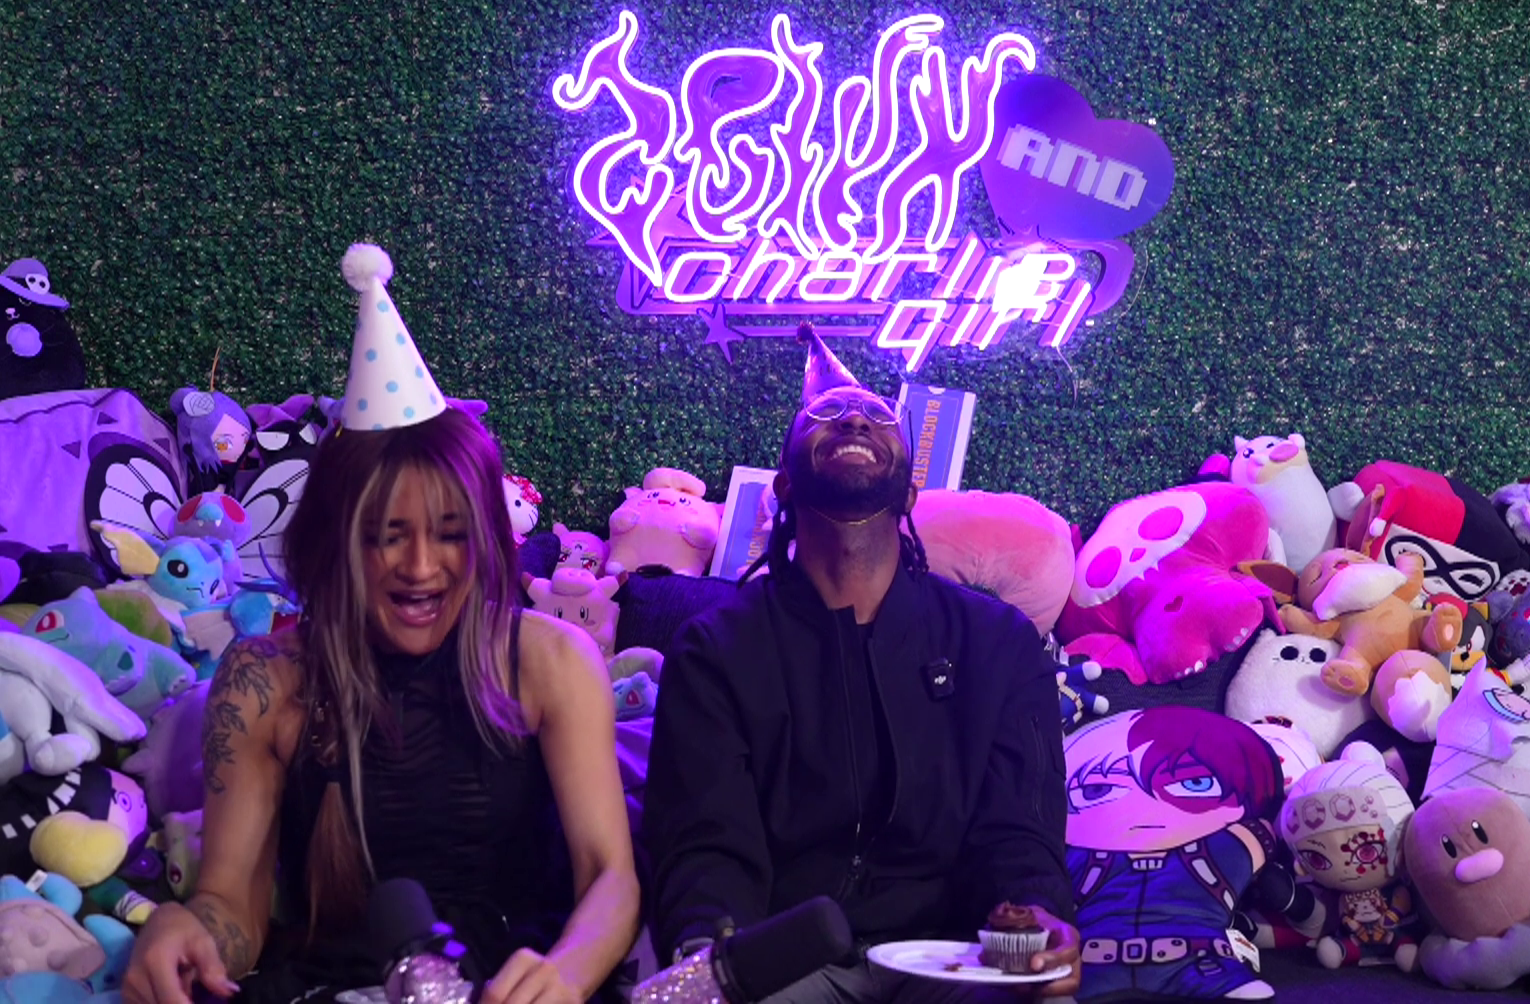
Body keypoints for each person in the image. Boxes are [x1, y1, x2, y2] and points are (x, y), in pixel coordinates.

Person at [124, 244, 640, 1004]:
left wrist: (565, 974)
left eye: (450, 533)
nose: (421, 567)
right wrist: (187, 932)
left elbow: (610, 878)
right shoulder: (263, 679)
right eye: (387, 535)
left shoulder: (551, 660)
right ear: (336, 538)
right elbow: (232, 908)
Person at [640, 325, 1080, 1002]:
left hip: (954, 959)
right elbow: (706, 841)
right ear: (784, 487)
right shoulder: (716, 647)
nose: (852, 419)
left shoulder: (998, 642)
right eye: (826, 414)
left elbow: (1020, 830)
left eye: (878, 415)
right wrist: (709, 948)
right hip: (781, 959)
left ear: (909, 495)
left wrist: (1034, 913)